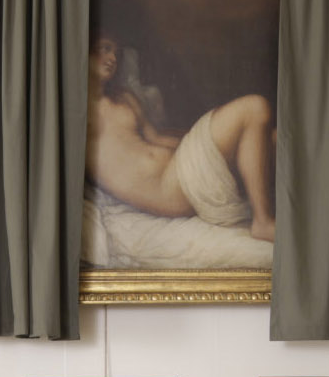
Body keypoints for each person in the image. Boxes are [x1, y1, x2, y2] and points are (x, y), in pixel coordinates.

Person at [85, 35, 275, 244]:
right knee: (255, 107)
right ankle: (263, 222)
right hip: (168, 192)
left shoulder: (124, 96)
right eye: (104, 48)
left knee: (270, 140)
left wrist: (206, 138)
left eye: (116, 53)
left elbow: (155, 137)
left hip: (182, 168)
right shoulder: (80, 113)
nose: (112, 58)